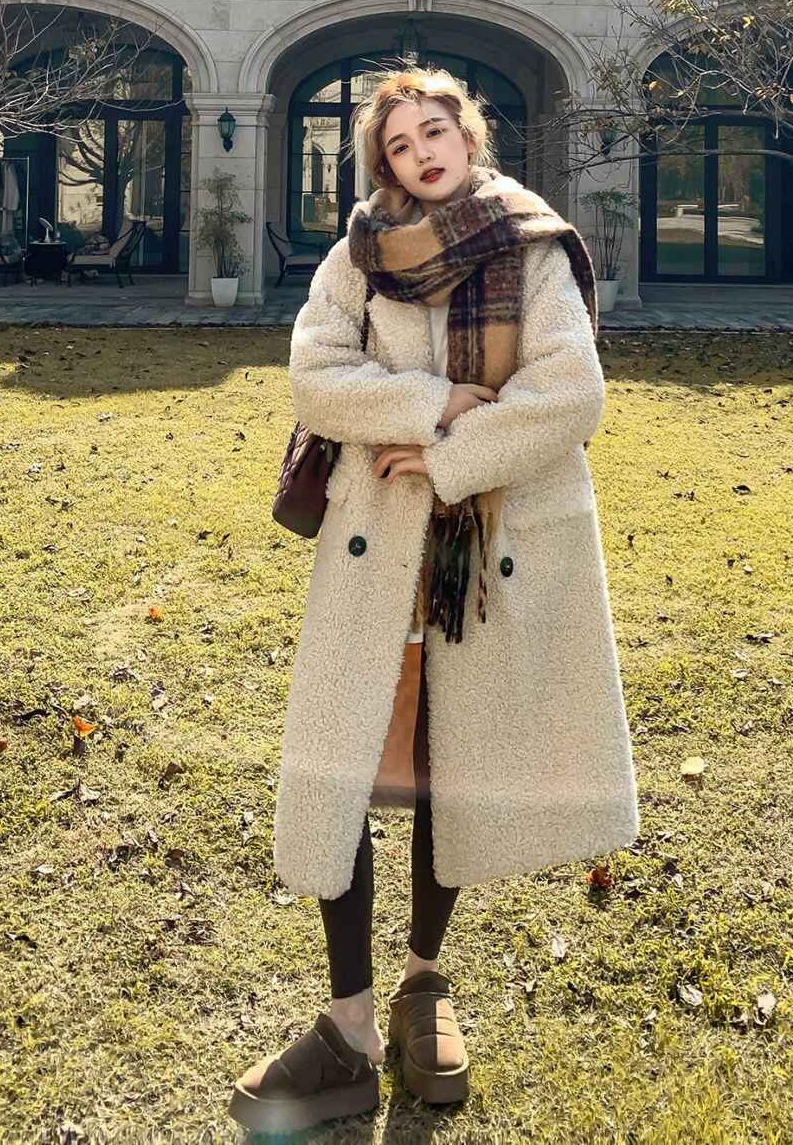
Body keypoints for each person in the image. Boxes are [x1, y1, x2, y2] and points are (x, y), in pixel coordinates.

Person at [229, 66, 639, 1136]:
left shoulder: (531, 246)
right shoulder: (358, 254)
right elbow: (315, 374)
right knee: (344, 769)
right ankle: (349, 1025)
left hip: (483, 555)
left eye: (433, 131)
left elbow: (570, 393)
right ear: (385, 164)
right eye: (399, 144)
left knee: (448, 768)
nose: (420, 153)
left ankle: (422, 984)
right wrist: (431, 401)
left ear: (469, 134)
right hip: (375, 553)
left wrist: (452, 453)